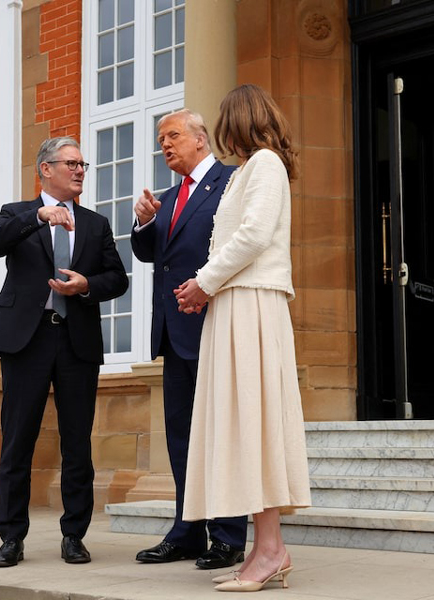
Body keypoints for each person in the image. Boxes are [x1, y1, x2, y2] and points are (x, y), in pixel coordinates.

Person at [175, 84, 312, 593]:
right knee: (244, 426)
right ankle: (265, 548)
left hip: (252, 304)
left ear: (239, 121)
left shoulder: (266, 166)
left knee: (256, 425)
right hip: (235, 304)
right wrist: (206, 288)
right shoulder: (248, 171)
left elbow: (253, 236)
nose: (216, 133)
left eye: (222, 122)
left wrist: (203, 282)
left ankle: (272, 548)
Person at [0, 137, 128, 568]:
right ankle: (10, 538)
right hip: (26, 339)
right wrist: (37, 216)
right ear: (46, 169)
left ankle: (74, 536)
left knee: (77, 443)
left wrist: (87, 286)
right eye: (72, 163)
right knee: (17, 440)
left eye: (84, 164)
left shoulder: (96, 224)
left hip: (76, 340)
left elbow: (117, 279)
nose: (81, 170)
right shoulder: (17, 213)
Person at [131, 109, 248, 569]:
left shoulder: (232, 182)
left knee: (221, 434)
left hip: (215, 324)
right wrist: (142, 223)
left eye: (173, 135)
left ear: (201, 139)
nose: (165, 144)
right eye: (161, 139)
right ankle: (187, 531)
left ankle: (227, 535)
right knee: (181, 437)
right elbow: (151, 255)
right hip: (174, 334)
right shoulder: (167, 196)